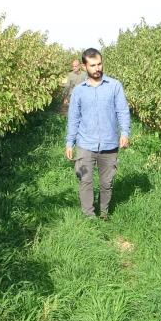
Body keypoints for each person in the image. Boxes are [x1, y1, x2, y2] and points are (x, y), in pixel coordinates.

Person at [65, 48, 131, 220]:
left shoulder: (114, 86)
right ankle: (89, 216)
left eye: (99, 64)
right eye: (93, 65)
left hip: (109, 143)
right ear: (84, 67)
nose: (97, 68)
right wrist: (70, 142)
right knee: (85, 180)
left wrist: (124, 132)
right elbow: (73, 118)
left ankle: (103, 212)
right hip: (85, 144)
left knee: (106, 183)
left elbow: (123, 111)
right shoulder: (79, 91)